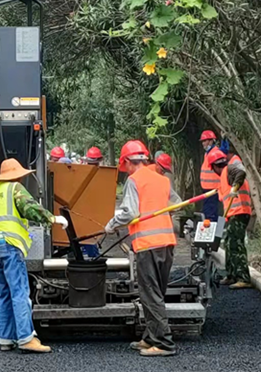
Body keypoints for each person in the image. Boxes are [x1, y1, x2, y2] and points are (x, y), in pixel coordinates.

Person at [104, 140, 179, 357]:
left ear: (127, 161)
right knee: (157, 293)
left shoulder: (133, 180)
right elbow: (176, 204)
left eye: (124, 165)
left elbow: (130, 212)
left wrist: (111, 225)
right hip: (167, 244)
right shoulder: (161, 180)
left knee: (150, 294)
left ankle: (164, 344)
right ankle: (150, 337)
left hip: (148, 246)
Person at [0, 158, 69, 352]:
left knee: (3, 294)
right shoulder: (14, 188)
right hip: (10, 246)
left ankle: (6, 339)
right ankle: (25, 338)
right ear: (16, 176)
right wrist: (52, 218)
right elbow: (29, 207)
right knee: (19, 292)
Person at [207, 148, 252, 290]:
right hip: (232, 214)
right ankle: (232, 275)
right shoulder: (223, 177)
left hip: (240, 212)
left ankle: (243, 278)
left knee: (236, 244)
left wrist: (234, 188)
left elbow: (241, 172)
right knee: (228, 243)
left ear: (214, 166)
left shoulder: (230, 168)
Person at [199, 130, 221, 221]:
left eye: (205, 141)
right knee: (208, 212)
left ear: (211, 141)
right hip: (208, 189)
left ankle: (212, 231)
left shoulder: (215, 154)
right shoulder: (207, 154)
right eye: (203, 141)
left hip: (213, 190)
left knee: (210, 213)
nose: (203, 143)